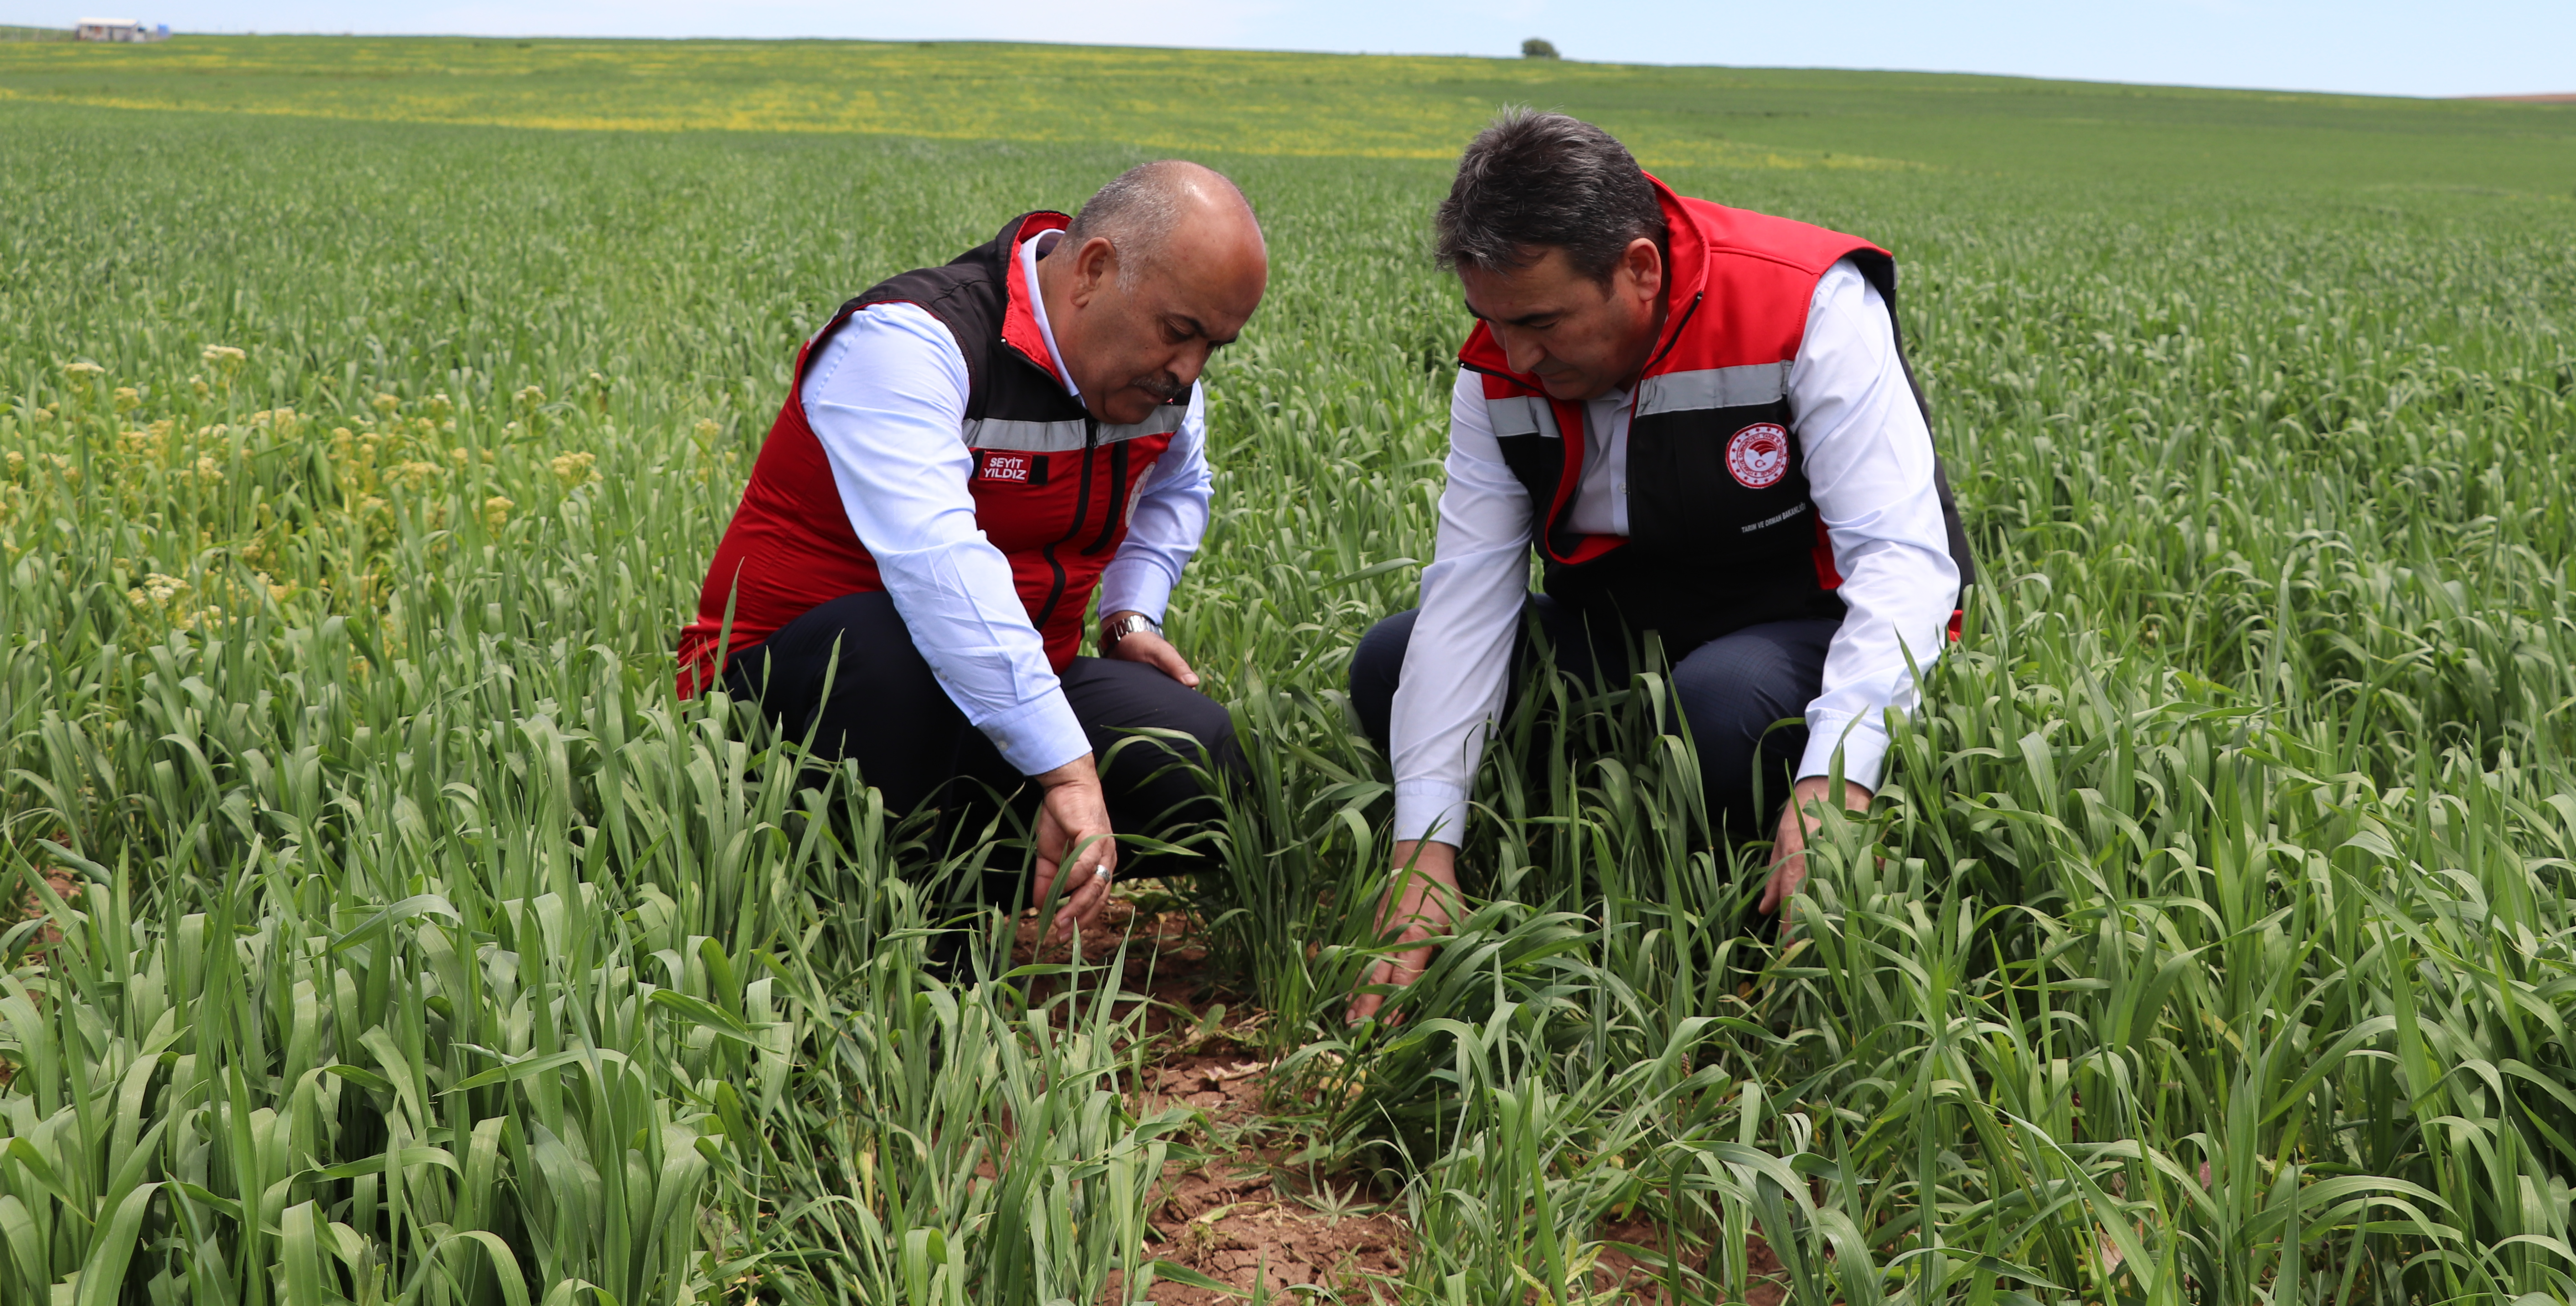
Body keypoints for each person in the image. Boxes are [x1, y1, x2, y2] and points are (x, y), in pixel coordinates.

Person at [1347, 111, 1974, 1022]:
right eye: (1491, 320)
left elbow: (1904, 562)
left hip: (1793, 625)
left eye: (1542, 321)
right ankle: (1584, 823)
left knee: (1720, 703)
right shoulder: (1498, 365)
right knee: (1393, 663)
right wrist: (1422, 847)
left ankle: (1755, 885)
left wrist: (1836, 779)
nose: (1514, 355)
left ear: (1640, 268)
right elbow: (1469, 598)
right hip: (1621, 626)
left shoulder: (1806, 302)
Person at [678, 162, 1266, 944]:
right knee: (889, 656)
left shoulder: (1149, 383)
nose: (1190, 372)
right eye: (1179, 331)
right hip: (787, 697)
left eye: (1213, 346)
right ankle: (889, 929)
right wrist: (1067, 768)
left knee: (1200, 762)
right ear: (1094, 271)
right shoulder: (911, 341)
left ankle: (960, 870)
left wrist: (1129, 614)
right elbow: (939, 568)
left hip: (999, 691)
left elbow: (1179, 485)